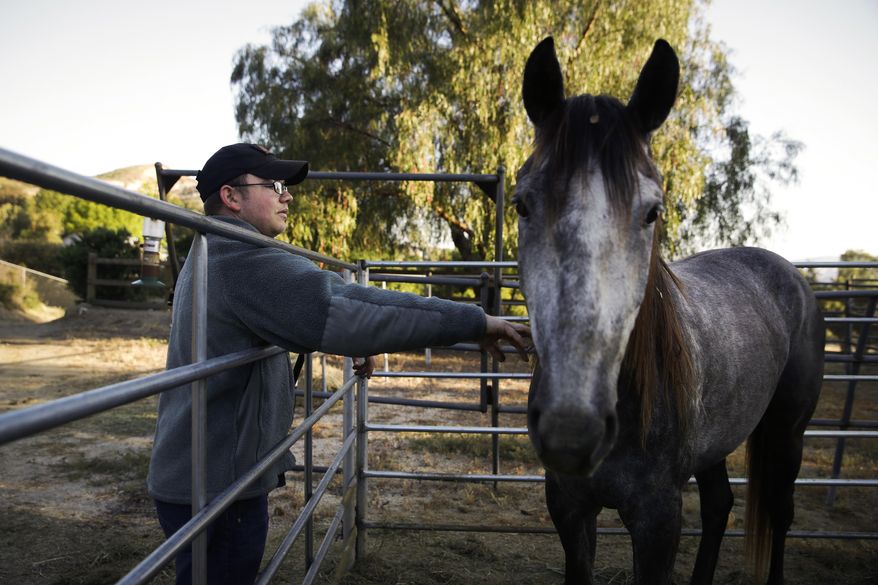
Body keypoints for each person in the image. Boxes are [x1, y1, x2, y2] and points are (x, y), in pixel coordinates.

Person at [146, 143, 531, 584]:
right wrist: (473, 321)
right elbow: (343, 304)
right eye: (274, 186)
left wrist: (341, 337)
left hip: (204, 473)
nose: (287, 196)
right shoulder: (240, 258)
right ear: (231, 197)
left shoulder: (213, 247)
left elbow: (282, 317)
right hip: (217, 487)